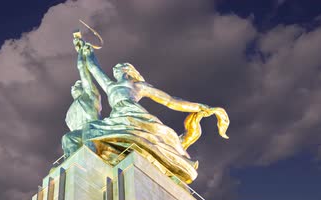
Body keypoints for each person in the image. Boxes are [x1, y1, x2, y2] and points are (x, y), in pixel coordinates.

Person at [74, 40, 229, 183]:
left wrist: (198, 107)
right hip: (117, 115)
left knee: (95, 130)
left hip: (134, 115)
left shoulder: (139, 86)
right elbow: (94, 69)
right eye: (115, 68)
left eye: (119, 66)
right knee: (90, 130)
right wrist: (84, 52)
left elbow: (170, 100)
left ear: (127, 70)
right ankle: (89, 165)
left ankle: (90, 165)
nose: (115, 69)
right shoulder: (110, 86)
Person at [61, 34, 102, 158]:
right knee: (67, 138)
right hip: (79, 132)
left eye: (77, 85)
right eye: (72, 87)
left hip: (93, 128)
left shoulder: (89, 95)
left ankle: (90, 161)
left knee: (87, 134)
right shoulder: (69, 112)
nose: (73, 87)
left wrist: (80, 52)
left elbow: (82, 71)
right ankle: (72, 164)